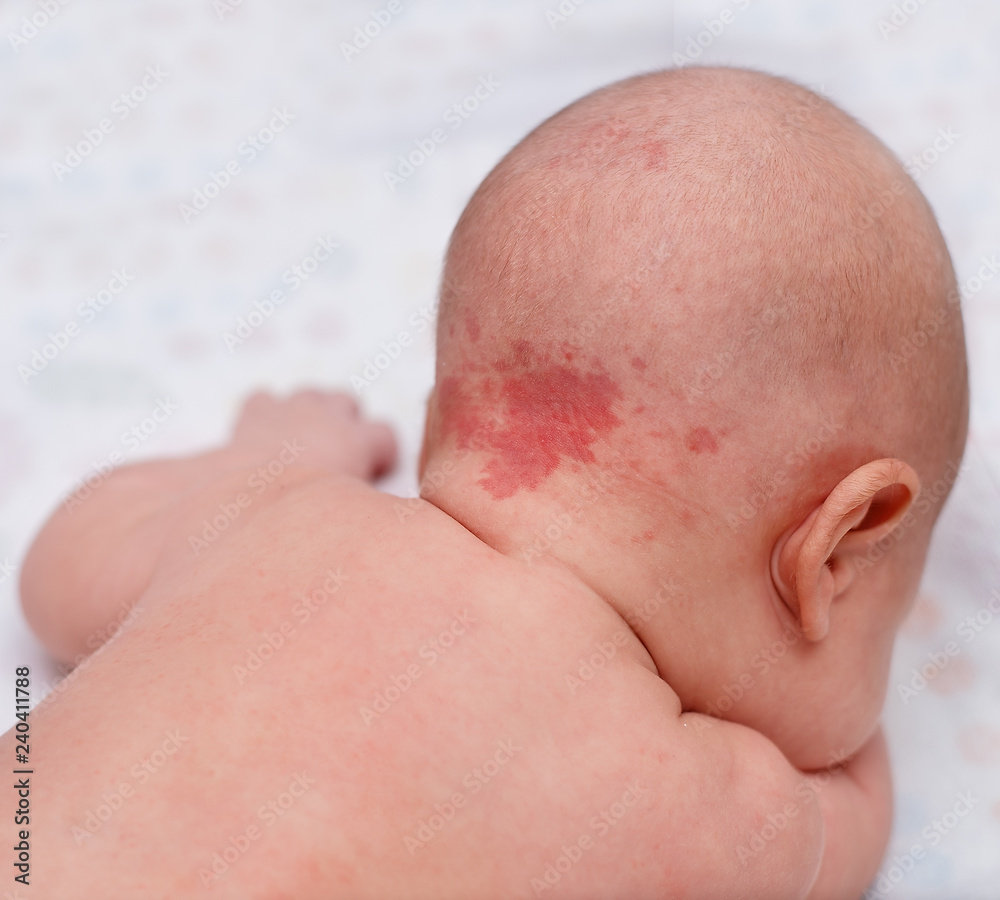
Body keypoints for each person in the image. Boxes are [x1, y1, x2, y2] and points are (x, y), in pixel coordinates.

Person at [7, 66, 968, 898]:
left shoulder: (269, 519)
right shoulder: (694, 803)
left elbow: (60, 566)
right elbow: (841, 827)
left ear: (440, 418)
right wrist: (841, 747)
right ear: (833, 554)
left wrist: (270, 459)